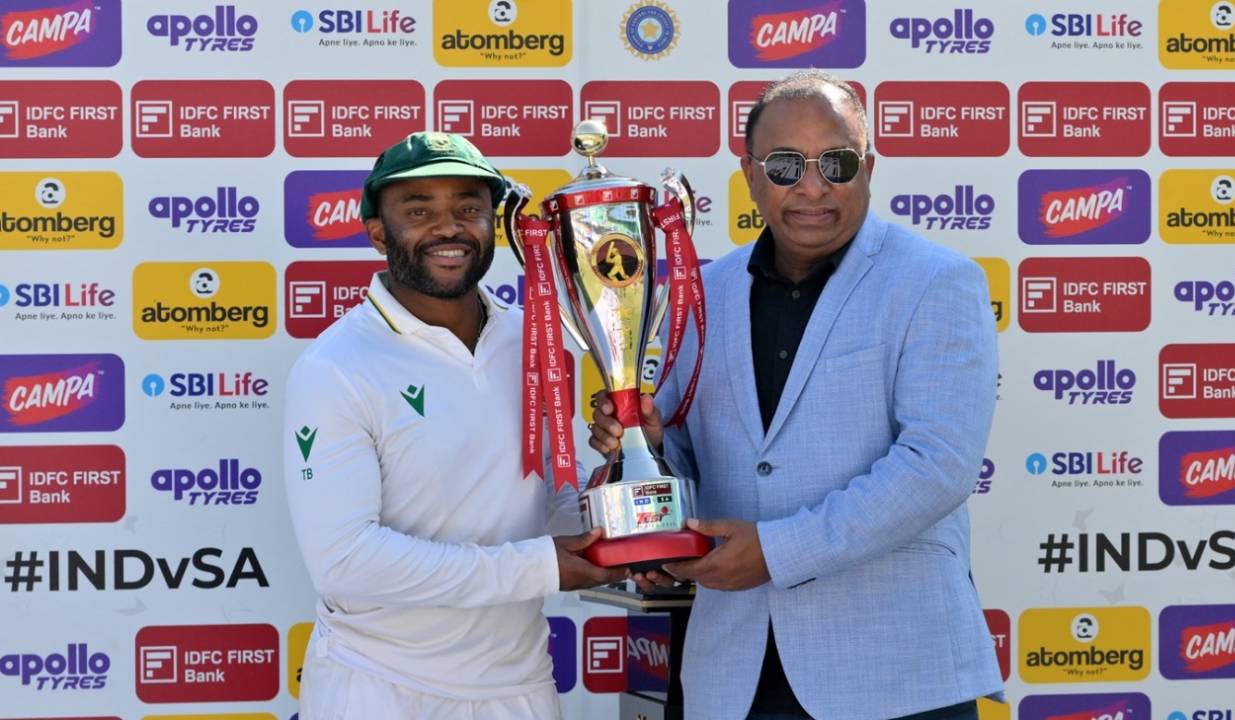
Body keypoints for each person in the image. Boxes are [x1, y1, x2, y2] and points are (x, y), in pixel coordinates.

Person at [590, 70, 1003, 720]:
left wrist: (777, 552)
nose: (812, 187)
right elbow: (688, 462)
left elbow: (938, 465)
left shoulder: (938, 281)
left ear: (867, 167)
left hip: (896, 673)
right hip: (733, 675)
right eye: (785, 165)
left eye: (835, 162)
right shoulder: (701, 293)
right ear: (750, 173)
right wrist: (648, 474)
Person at [283, 131, 624, 719]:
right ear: (377, 233)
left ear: (495, 225)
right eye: (419, 212)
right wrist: (541, 566)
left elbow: (551, 499)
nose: (448, 228)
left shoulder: (536, 340)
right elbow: (346, 560)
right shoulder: (335, 366)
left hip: (518, 686)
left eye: (468, 209)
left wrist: (622, 492)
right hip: (378, 687)